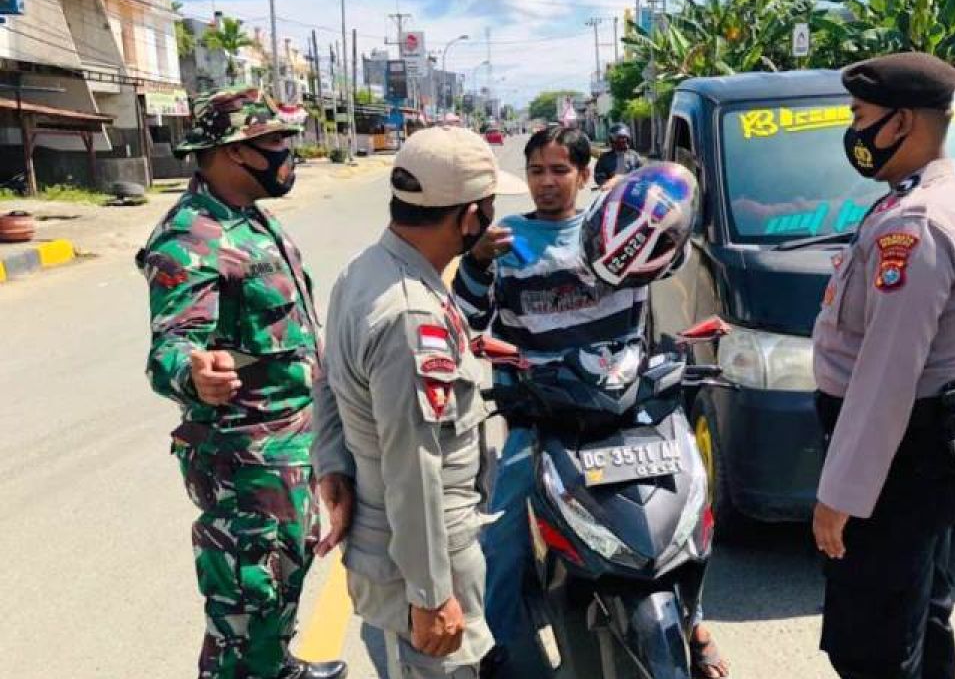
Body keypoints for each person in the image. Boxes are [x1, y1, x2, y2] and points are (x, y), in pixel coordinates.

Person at [452, 126, 730, 678]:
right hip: (544, 412)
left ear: (584, 175)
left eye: (560, 171)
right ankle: (501, 654)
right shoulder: (504, 241)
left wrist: (659, 202)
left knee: (685, 518)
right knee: (500, 536)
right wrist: (477, 262)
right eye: (536, 171)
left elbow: (671, 251)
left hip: (629, 405)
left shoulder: (620, 226)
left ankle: (693, 625)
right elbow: (465, 317)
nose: (547, 183)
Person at [137, 86, 347, 679]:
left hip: (288, 443)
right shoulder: (191, 238)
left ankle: (273, 665)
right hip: (243, 457)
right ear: (233, 151)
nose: (290, 154)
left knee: (279, 582)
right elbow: (170, 349)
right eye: (277, 141)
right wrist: (194, 374)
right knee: (247, 595)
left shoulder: (251, 220)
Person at [810, 53, 955, 679]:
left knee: (873, 646)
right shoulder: (922, 199)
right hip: (919, 448)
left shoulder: (917, 222)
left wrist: (841, 496)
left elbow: (887, 377)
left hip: (897, 457)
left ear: (903, 124)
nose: (854, 130)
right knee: (921, 615)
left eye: (861, 117)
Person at [314, 125, 499, 679]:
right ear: (468, 217)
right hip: (421, 555)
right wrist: (430, 593)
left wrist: (333, 464)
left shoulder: (365, 270)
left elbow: (325, 376)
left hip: (397, 546)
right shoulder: (408, 313)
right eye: (487, 209)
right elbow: (413, 464)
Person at [593, 122, 643, 189]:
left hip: (632, 191)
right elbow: (599, 177)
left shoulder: (635, 156)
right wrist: (609, 182)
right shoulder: (604, 158)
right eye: (620, 138)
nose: (623, 140)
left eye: (625, 138)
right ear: (612, 140)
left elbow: (642, 175)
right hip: (613, 193)